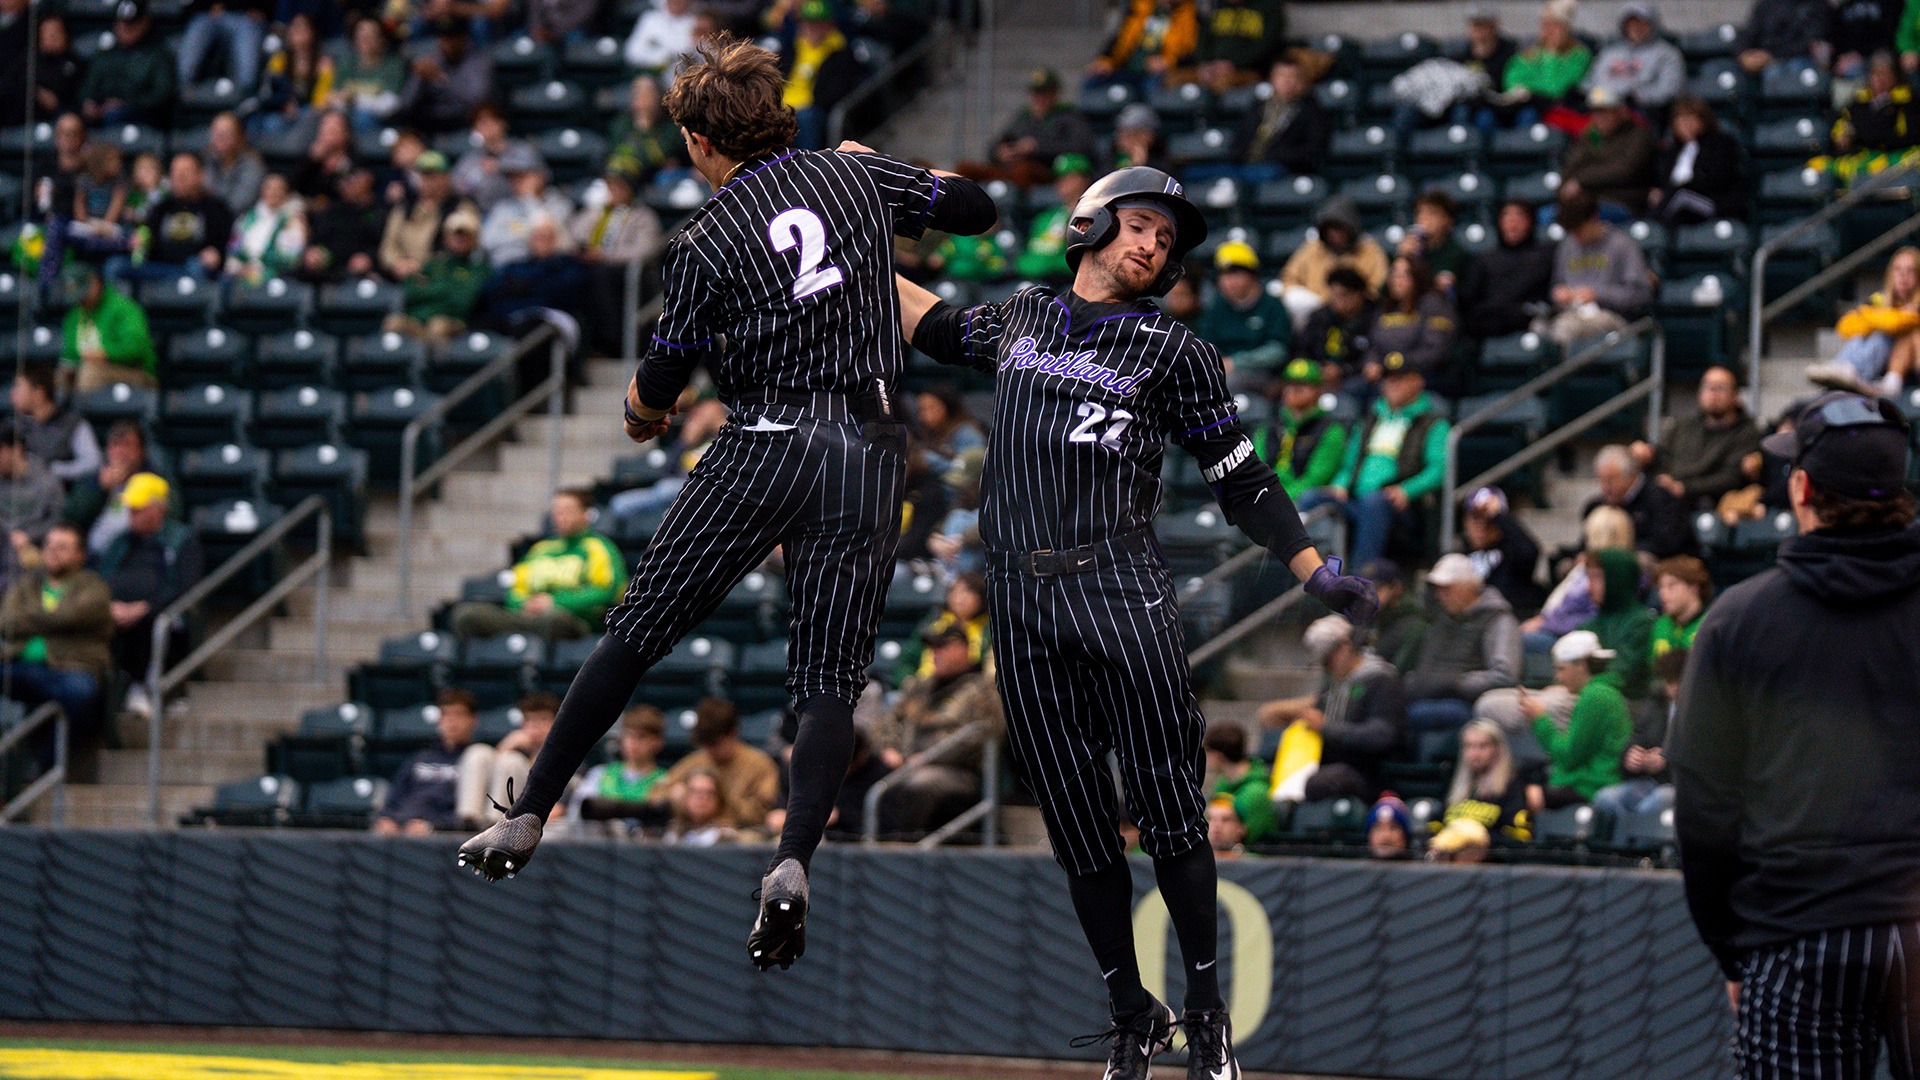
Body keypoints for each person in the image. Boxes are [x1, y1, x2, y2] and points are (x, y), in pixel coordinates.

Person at [458, 38, 997, 985]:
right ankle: (792, 859)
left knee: (636, 632)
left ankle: (531, 808)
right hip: (870, 449)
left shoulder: (704, 240)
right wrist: (882, 169)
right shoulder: (852, 176)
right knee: (828, 682)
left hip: (766, 440)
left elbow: (660, 383)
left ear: (701, 140)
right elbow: (977, 211)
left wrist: (640, 413)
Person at [894, 165, 1379, 1080]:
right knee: (1077, 825)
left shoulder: (1176, 350)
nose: (1155, 243)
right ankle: (1130, 1013)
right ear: (1092, 223)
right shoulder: (1025, 315)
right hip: (1021, 601)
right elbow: (931, 320)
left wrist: (1314, 569)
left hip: (1120, 588)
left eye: (1167, 237)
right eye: (1142, 223)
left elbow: (1242, 477)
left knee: (1171, 814)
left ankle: (1207, 1013)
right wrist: (842, 223)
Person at [1672, 391, 1920, 1075]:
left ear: (1803, 488)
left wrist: (1732, 951)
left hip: (1798, 937)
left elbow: (1703, 808)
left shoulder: (1738, 619)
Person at [1302, 353, 1450, 569]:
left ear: (1417, 381)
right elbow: (1349, 464)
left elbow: (1439, 470)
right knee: (1312, 498)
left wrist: (1406, 490)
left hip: (1403, 508)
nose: (1393, 385)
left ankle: (1360, 578)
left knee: (1374, 503)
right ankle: (1311, 572)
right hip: (1356, 499)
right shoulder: (1369, 420)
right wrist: (1340, 485)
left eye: (1400, 379)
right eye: (1389, 380)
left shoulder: (1433, 423)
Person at [868, 624, 1003, 838]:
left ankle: (902, 845)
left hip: (956, 770)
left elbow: (980, 737)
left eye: (942, 648)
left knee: (918, 784)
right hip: (906, 763)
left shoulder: (982, 689)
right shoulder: (919, 687)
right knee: (865, 771)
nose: (935, 654)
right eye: (932, 648)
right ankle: (857, 840)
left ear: (963, 649)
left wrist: (928, 757)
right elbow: (889, 722)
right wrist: (889, 748)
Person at [1257, 612, 1404, 804]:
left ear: (1345, 646)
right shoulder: (1332, 686)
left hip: (1368, 771)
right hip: (1330, 762)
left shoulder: (1381, 680)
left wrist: (1326, 727)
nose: (1326, 667)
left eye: (1328, 659)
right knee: (1270, 775)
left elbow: (1381, 736)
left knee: (1318, 783)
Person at [0, 523, 114, 760]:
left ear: (80, 555)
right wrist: (55, 620)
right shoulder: (26, 584)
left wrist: (31, 619)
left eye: (62, 547)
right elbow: (7, 622)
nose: (53, 552)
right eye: (49, 546)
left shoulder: (93, 585)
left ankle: (46, 763)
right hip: (20, 666)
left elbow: (72, 616)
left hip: (72, 669)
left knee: (79, 692)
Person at [450, 490, 625, 641]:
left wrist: (555, 602)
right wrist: (525, 604)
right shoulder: (541, 549)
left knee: (552, 619)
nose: (561, 517)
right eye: (557, 512)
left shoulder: (598, 547)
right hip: (528, 617)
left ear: (586, 514)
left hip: (573, 621)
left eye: (568, 511)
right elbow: (515, 590)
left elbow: (606, 592)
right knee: (467, 615)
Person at [95, 474, 202, 717]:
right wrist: (108, 606)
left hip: (161, 615)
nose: (132, 514)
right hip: (113, 612)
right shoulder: (120, 542)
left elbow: (186, 587)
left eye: (139, 509)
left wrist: (145, 608)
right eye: (131, 509)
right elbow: (100, 578)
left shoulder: (181, 540)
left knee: (152, 624)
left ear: (159, 508)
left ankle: (146, 688)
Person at [1403, 552, 1521, 733]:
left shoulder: (1497, 619)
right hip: (1426, 694)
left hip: (1465, 702)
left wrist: (1457, 683)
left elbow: (1504, 675)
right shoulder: (1441, 618)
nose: (1440, 595)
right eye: (1438, 589)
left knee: (1407, 716)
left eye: (1447, 588)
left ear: (1469, 587)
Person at [1520, 629, 1630, 812]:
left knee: (1524, 796)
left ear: (1581, 665)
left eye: (1561, 669)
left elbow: (1567, 756)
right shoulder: (1601, 692)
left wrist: (1539, 719)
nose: (1558, 678)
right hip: (1587, 782)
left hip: (1591, 786)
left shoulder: (1595, 696)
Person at [1630, 366, 1763, 510]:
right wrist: (1648, 455)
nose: (1713, 393)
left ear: (1735, 395)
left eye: (1721, 388)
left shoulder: (1747, 433)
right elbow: (1662, 456)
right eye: (1708, 387)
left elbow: (1731, 478)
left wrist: (1684, 488)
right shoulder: (1684, 426)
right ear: (1700, 393)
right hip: (1666, 491)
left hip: (1707, 499)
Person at [1541, 188, 1655, 350]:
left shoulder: (1622, 244)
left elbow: (1641, 293)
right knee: (1539, 327)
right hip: (1570, 312)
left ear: (1594, 218)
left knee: (1565, 329)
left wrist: (1597, 294)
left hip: (1611, 316)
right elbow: (1557, 284)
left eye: (1579, 230)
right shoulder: (1568, 245)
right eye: (1572, 232)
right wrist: (1559, 293)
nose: (1576, 237)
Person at [1809, 246, 1920, 396]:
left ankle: (1856, 373)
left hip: (1905, 375)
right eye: (1898, 270)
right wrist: (1879, 319)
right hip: (1879, 371)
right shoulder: (1879, 300)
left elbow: (1896, 324)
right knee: (1863, 336)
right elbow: (1845, 326)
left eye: (1910, 271)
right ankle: (1842, 367)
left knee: (1885, 335)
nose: (1903, 276)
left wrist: (1869, 317)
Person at [661, 697, 781, 831]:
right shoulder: (697, 760)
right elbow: (658, 793)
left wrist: (717, 803)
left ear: (733, 733)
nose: (710, 751)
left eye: (715, 744)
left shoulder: (760, 765)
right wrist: (678, 797)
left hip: (741, 834)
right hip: (694, 833)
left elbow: (762, 812)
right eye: (706, 745)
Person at [1592, 643, 1681, 821]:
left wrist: (1666, 761)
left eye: (1678, 682)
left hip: (1680, 786)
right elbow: (1635, 738)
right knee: (1605, 798)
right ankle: (1630, 832)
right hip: (1649, 781)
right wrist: (1630, 756)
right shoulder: (1655, 704)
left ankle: (1634, 832)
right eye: (1668, 681)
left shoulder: (1704, 713)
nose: (1673, 688)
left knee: (1659, 800)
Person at [1208, 55, 1331, 184]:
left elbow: (1313, 152)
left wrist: (1277, 156)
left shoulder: (1313, 112)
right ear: (1272, 79)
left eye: (1293, 76)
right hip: (1243, 165)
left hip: (1280, 169)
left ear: (1304, 81)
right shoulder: (1258, 106)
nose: (1287, 81)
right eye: (1282, 76)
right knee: (1199, 173)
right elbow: (1240, 140)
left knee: (1265, 173)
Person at [965, 69, 1096, 189]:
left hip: (1046, 170)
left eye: (1044, 93)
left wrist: (1037, 147)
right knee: (965, 170)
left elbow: (1081, 146)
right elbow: (997, 143)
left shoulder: (1068, 116)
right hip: (1011, 168)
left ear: (1055, 93)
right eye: (1035, 93)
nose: (1038, 98)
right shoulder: (1023, 118)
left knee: (1022, 171)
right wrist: (1000, 152)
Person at [118, 154, 235, 285]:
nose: (179, 177)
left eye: (186, 171)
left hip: (194, 268)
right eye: (175, 172)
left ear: (200, 175)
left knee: (198, 267)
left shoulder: (216, 208)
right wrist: (138, 242)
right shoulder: (161, 207)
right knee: (117, 266)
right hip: (160, 268)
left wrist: (216, 253)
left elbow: (226, 247)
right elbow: (147, 238)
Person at [374, 689, 477, 835]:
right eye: (446, 714)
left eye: (459, 714)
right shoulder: (420, 758)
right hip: (400, 829)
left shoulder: (476, 761)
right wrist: (386, 818)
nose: (452, 721)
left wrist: (433, 826)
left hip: (440, 836)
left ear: (473, 720)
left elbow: (469, 814)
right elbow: (394, 797)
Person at [1278, 196, 1389, 326]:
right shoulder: (1312, 248)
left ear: (1351, 227)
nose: (1334, 234)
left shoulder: (1369, 250)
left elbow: (1377, 287)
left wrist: (1348, 300)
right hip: (1316, 310)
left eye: (1339, 228)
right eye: (1329, 229)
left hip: (1357, 313)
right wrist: (1322, 302)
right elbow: (1289, 278)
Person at [1194, 241, 1292, 385]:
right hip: (1221, 368)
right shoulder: (1216, 307)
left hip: (1262, 373)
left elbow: (1278, 351)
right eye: (1224, 275)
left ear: (1252, 275)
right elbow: (1205, 344)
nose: (1228, 281)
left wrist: (1235, 362)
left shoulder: (1272, 305)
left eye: (1235, 274)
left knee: (1229, 381)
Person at [66, 423, 171, 556]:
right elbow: (72, 518)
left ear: (141, 450)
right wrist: (99, 490)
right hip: (92, 555)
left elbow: (171, 516)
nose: (121, 452)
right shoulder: (93, 479)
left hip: (137, 552)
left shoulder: (155, 480)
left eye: (127, 445)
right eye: (115, 445)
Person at [1457, 200, 1554, 342]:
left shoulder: (1544, 256)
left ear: (1530, 221)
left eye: (1519, 216)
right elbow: (1468, 298)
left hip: (1527, 320)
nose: (1512, 222)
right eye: (1507, 216)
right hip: (1487, 321)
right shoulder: (1484, 259)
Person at [1360, 256, 1458, 395]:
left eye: (1402, 275)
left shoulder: (1435, 305)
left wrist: (1397, 362)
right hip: (1385, 377)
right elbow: (1373, 344)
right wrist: (1371, 363)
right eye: (1393, 275)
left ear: (1418, 277)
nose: (1396, 281)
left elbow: (1435, 350)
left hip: (1425, 378)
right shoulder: (1386, 307)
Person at [1560, 87, 1661, 221]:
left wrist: (1580, 180)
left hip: (1622, 201)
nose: (1599, 117)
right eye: (1595, 112)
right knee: (1549, 215)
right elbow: (1570, 168)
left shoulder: (1638, 135)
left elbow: (1624, 170)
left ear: (1620, 111)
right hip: (1586, 201)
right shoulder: (1591, 136)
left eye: (1605, 111)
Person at [1252, 358, 1345, 501]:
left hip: (1298, 502)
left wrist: (1279, 499)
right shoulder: (1269, 425)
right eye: (1290, 384)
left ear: (1318, 390)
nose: (1294, 390)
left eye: (1302, 385)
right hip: (1263, 497)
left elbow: (1316, 477)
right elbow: (1256, 466)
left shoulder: (1331, 430)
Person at [460, 692, 559, 826]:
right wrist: (507, 745)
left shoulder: (565, 756)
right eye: (529, 720)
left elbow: (557, 808)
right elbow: (491, 773)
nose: (536, 726)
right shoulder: (517, 750)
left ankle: (495, 825)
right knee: (478, 752)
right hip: (502, 813)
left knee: (511, 761)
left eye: (543, 720)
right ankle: (468, 822)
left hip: (534, 821)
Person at [58, 265, 158, 394]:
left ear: (95, 283)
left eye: (84, 294)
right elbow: (69, 353)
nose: (81, 301)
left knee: (90, 372)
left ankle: (83, 408)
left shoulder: (124, 308)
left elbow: (136, 348)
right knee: (58, 376)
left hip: (135, 372)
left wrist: (105, 354)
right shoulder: (73, 316)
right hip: (85, 370)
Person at [378, 150, 475, 282]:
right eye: (423, 176)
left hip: (444, 278)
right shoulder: (405, 206)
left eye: (433, 176)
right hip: (403, 276)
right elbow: (388, 246)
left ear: (446, 177)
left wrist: (424, 267)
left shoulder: (461, 207)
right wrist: (397, 263)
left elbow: (464, 246)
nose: (428, 182)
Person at [779, 0, 864, 151]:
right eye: (807, 23)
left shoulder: (840, 52)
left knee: (806, 117)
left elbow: (835, 93)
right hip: (784, 106)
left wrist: (802, 105)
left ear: (829, 25)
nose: (811, 28)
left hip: (815, 110)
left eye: (817, 23)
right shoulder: (793, 47)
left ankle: (809, 161)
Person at [1649, 96, 1746, 226]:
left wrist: (1677, 190)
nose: (1684, 124)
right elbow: (1665, 181)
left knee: (1680, 195)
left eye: (1689, 117)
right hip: (1678, 205)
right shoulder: (1674, 151)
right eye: (1679, 119)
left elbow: (1716, 179)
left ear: (1703, 120)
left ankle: (1653, 227)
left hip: (1713, 202)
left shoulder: (1720, 144)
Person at [78, 0, 178, 128]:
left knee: (116, 115)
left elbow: (162, 95)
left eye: (132, 23)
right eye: (122, 22)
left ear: (145, 22)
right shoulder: (105, 54)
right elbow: (87, 89)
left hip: (143, 117)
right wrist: (90, 105)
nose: (125, 28)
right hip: (102, 114)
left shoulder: (158, 54)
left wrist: (126, 103)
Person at [1824, 52, 1920, 183]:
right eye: (1874, 74)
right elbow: (1839, 132)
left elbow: (1904, 136)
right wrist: (1842, 140)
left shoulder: (1908, 102)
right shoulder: (1858, 103)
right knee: (1820, 165)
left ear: (1895, 76)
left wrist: (1859, 133)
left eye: (1883, 74)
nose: (1878, 79)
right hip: (1864, 158)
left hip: (1896, 158)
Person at [1585, 443, 1693, 559]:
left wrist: (1624, 553)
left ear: (1630, 476)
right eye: (1601, 480)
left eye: (1611, 480)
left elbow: (1666, 543)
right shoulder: (1599, 505)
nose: (1605, 487)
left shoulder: (1660, 499)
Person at [565, 705, 670, 823]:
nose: (633, 743)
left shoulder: (665, 781)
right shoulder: (600, 774)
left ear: (658, 742)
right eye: (628, 735)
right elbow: (576, 814)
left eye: (641, 737)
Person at [1494, 0, 1592, 125]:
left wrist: (1551, 53)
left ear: (1566, 28)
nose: (1549, 30)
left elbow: (1556, 88)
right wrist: (1531, 90)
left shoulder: (1579, 55)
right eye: (1545, 25)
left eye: (1555, 25)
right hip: (1522, 106)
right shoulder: (1531, 52)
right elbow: (1512, 81)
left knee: (1528, 116)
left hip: (1557, 110)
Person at [1579, 545, 1654, 701]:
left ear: (1617, 579)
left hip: (1625, 701)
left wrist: (1584, 685)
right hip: (1587, 694)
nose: (1588, 587)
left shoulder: (1640, 623)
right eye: (1589, 577)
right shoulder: (1588, 625)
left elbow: (1623, 673)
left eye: (1596, 578)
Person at [396, 16, 494, 134]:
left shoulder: (479, 60)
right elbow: (405, 104)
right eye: (443, 37)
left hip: (464, 120)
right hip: (431, 120)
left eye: (453, 37)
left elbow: (479, 100)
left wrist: (441, 78)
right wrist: (419, 79)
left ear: (464, 38)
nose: (448, 43)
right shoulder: (431, 58)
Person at [478, 149, 574, 267]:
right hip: (508, 270)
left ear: (540, 176)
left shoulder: (559, 204)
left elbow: (552, 239)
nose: (516, 182)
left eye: (522, 176)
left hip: (549, 270)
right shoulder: (504, 207)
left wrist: (530, 200)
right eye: (512, 177)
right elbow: (487, 241)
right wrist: (526, 237)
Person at [1085, 0, 1200, 96]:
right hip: (1127, 69)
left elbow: (1190, 53)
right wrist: (1106, 59)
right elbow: (1118, 40)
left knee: (1153, 87)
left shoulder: (1191, 16)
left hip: (1158, 75)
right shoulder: (1139, 8)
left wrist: (1168, 61)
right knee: (1094, 80)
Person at [1584, 4, 1684, 114]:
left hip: (1642, 110)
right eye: (1632, 23)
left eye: (1642, 23)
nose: (1637, 27)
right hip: (1601, 107)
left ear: (1653, 24)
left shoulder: (1667, 54)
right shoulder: (1609, 52)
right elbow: (1591, 82)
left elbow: (1668, 91)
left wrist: (1635, 96)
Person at [12, 366, 101, 485]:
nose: (13, 393)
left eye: (19, 387)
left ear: (39, 393)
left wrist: (54, 470)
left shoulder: (73, 423)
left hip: (60, 489)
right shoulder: (16, 424)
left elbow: (93, 462)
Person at [1463, 486, 1544, 617]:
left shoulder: (1513, 554)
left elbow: (1529, 552)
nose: (1481, 526)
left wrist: (1499, 516)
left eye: (1489, 520)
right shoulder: (1458, 556)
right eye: (1475, 518)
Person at [1443, 718, 1530, 841]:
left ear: (1497, 749)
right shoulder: (1453, 784)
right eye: (1469, 746)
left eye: (1482, 746)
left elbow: (1518, 837)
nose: (1474, 754)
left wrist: (1475, 838)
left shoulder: (1512, 787)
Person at [1013, 154, 1093, 282]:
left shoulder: (1092, 218)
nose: (1062, 183)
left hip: (1070, 282)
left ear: (1085, 179)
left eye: (1069, 177)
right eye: (1058, 178)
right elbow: (1028, 257)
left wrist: (1048, 264)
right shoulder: (1044, 218)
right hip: (1038, 281)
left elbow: (1083, 261)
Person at [300, 168, 385, 283]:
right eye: (347, 181)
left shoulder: (380, 211)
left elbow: (384, 243)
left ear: (368, 182)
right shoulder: (331, 210)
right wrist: (315, 253)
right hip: (330, 264)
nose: (349, 185)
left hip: (366, 266)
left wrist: (369, 257)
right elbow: (317, 239)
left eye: (355, 180)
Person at [224, 172, 307, 285]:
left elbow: (291, 259)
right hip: (242, 274)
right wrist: (240, 267)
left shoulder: (293, 221)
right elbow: (233, 250)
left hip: (275, 277)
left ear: (286, 193)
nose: (273, 192)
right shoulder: (246, 219)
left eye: (278, 189)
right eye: (269, 188)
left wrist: (259, 269)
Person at [324, 16, 406, 131]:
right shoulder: (347, 63)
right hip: (346, 116)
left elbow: (390, 105)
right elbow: (333, 97)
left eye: (370, 34)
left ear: (382, 39)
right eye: (361, 34)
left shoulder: (394, 64)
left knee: (362, 117)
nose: (365, 38)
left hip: (382, 122)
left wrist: (354, 100)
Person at [1201, 722, 1276, 843]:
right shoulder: (1222, 783)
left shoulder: (1256, 793)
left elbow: (1251, 838)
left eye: (1207, 752)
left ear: (1217, 755)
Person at [609, 75, 689, 186]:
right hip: (623, 175)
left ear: (657, 96)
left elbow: (661, 155)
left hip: (655, 178)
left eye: (646, 92)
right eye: (637, 92)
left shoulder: (671, 125)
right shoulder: (622, 124)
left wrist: (645, 125)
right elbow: (616, 152)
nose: (640, 96)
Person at [1294, 266, 1375, 374]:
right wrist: (1317, 367)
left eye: (1344, 295)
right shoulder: (1320, 317)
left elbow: (1374, 356)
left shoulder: (1374, 319)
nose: (1338, 300)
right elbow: (1302, 350)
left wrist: (1343, 370)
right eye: (1334, 294)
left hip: (1356, 375)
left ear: (1359, 294)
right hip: (1318, 373)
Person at [1191, 0, 1284, 94]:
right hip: (1212, 69)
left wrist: (1234, 63)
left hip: (1250, 70)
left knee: (1224, 87)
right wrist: (1205, 63)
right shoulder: (1215, 5)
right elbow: (1203, 38)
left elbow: (1266, 45)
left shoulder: (1268, 7)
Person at [1361, 558, 1427, 670]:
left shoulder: (1414, 625)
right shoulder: (1372, 619)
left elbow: (1397, 671)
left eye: (1376, 589)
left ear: (1396, 588)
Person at [1736, 0, 1835, 74]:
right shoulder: (1767, 4)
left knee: (1780, 70)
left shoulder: (1819, 6)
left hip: (1796, 61)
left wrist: (1771, 56)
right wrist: (1744, 55)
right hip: (1762, 60)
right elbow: (1749, 33)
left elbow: (1810, 43)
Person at [201, 112, 265, 217]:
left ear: (240, 136)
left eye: (226, 133)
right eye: (216, 133)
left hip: (240, 220)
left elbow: (239, 204)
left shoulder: (253, 165)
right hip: (208, 218)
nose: (220, 138)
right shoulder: (205, 159)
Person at [1651, 556, 1709, 660]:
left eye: (1671, 586)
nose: (1663, 594)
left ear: (1694, 588)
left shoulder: (1710, 625)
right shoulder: (1660, 624)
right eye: (1661, 587)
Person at [667, 768, 739, 845]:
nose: (702, 798)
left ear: (719, 800)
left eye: (709, 793)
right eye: (695, 791)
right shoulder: (673, 833)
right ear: (684, 796)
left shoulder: (726, 837)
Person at [626, 0, 698, 71]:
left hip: (682, 72)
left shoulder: (696, 23)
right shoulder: (650, 19)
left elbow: (692, 52)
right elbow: (632, 52)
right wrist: (659, 60)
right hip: (648, 71)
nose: (676, 2)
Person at [1111, 103, 1170, 173]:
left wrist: (1141, 165)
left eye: (1135, 134)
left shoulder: (1161, 157)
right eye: (1123, 134)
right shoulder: (1112, 155)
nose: (1128, 140)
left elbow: (1165, 176)